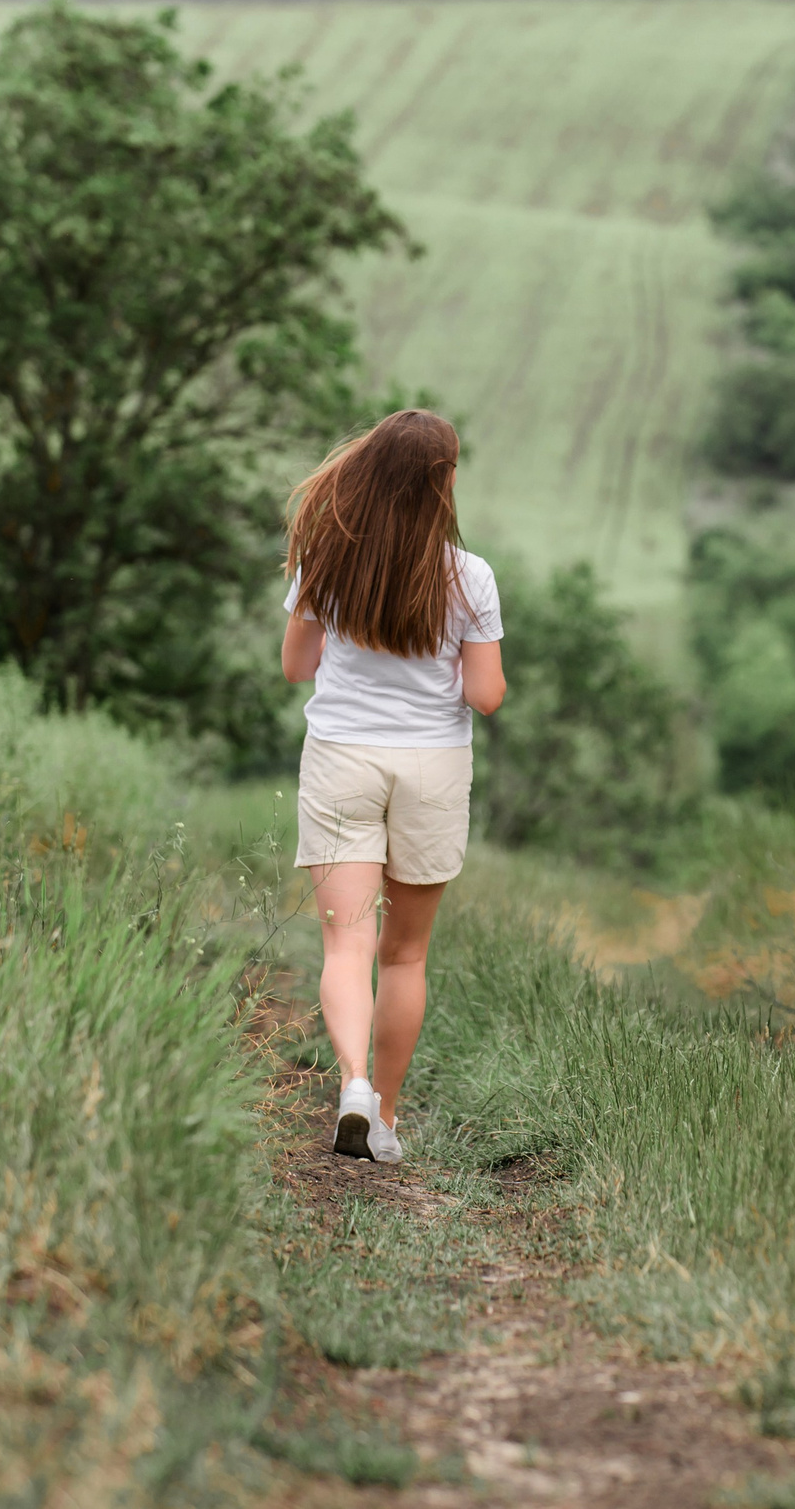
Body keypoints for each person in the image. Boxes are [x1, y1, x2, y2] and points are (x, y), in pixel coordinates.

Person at [281, 410, 506, 1162]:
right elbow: (486, 695)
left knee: (347, 943)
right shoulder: (468, 575)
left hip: (343, 753)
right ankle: (385, 1117)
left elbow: (295, 666)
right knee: (404, 954)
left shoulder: (330, 557)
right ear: (442, 482)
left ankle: (348, 1082)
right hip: (432, 765)